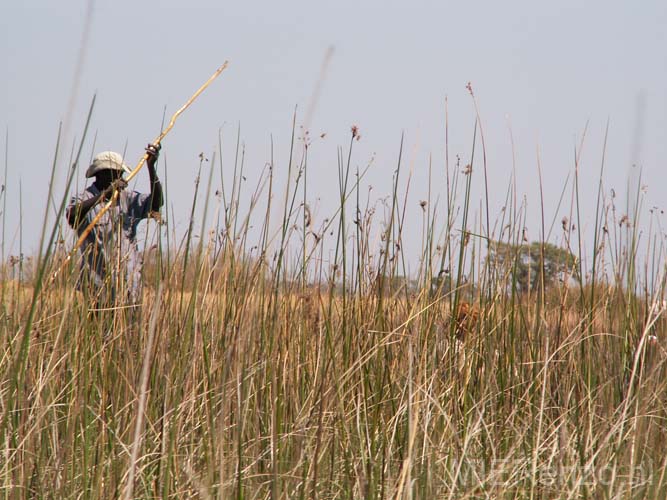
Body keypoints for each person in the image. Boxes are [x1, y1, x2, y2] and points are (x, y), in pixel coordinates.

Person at [66, 144, 163, 310]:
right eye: (117, 174)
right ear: (102, 174)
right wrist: (104, 195)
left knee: (130, 330)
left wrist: (151, 167)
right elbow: (72, 216)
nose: (122, 178)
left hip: (129, 285)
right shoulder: (85, 198)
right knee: (100, 331)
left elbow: (156, 203)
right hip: (98, 286)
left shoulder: (128, 199)